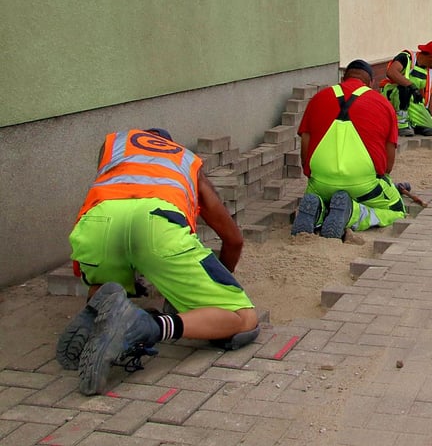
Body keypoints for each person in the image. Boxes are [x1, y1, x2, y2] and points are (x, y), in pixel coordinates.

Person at [58, 128, 259, 395]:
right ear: (169, 144)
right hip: (157, 225)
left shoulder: (116, 146)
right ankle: (149, 326)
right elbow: (233, 240)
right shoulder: (185, 160)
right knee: (242, 318)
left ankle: (102, 309)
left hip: (97, 224)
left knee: (107, 285)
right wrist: (207, 291)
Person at [293, 59, 406, 238]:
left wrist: (311, 174)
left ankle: (319, 210)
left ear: (343, 78)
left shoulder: (318, 98)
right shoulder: (383, 103)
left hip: (319, 181)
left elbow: (305, 142)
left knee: (323, 194)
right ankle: (352, 214)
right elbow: (388, 165)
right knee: (397, 210)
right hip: (363, 184)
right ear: (371, 82)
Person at [379, 41, 432, 137]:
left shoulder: (431, 71)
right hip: (393, 96)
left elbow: (430, 94)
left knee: (429, 128)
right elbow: (391, 72)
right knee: (404, 87)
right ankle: (401, 124)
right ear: (431, 57)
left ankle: (410, 123)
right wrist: (411, 85)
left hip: (411, 101)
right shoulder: (406, 57)